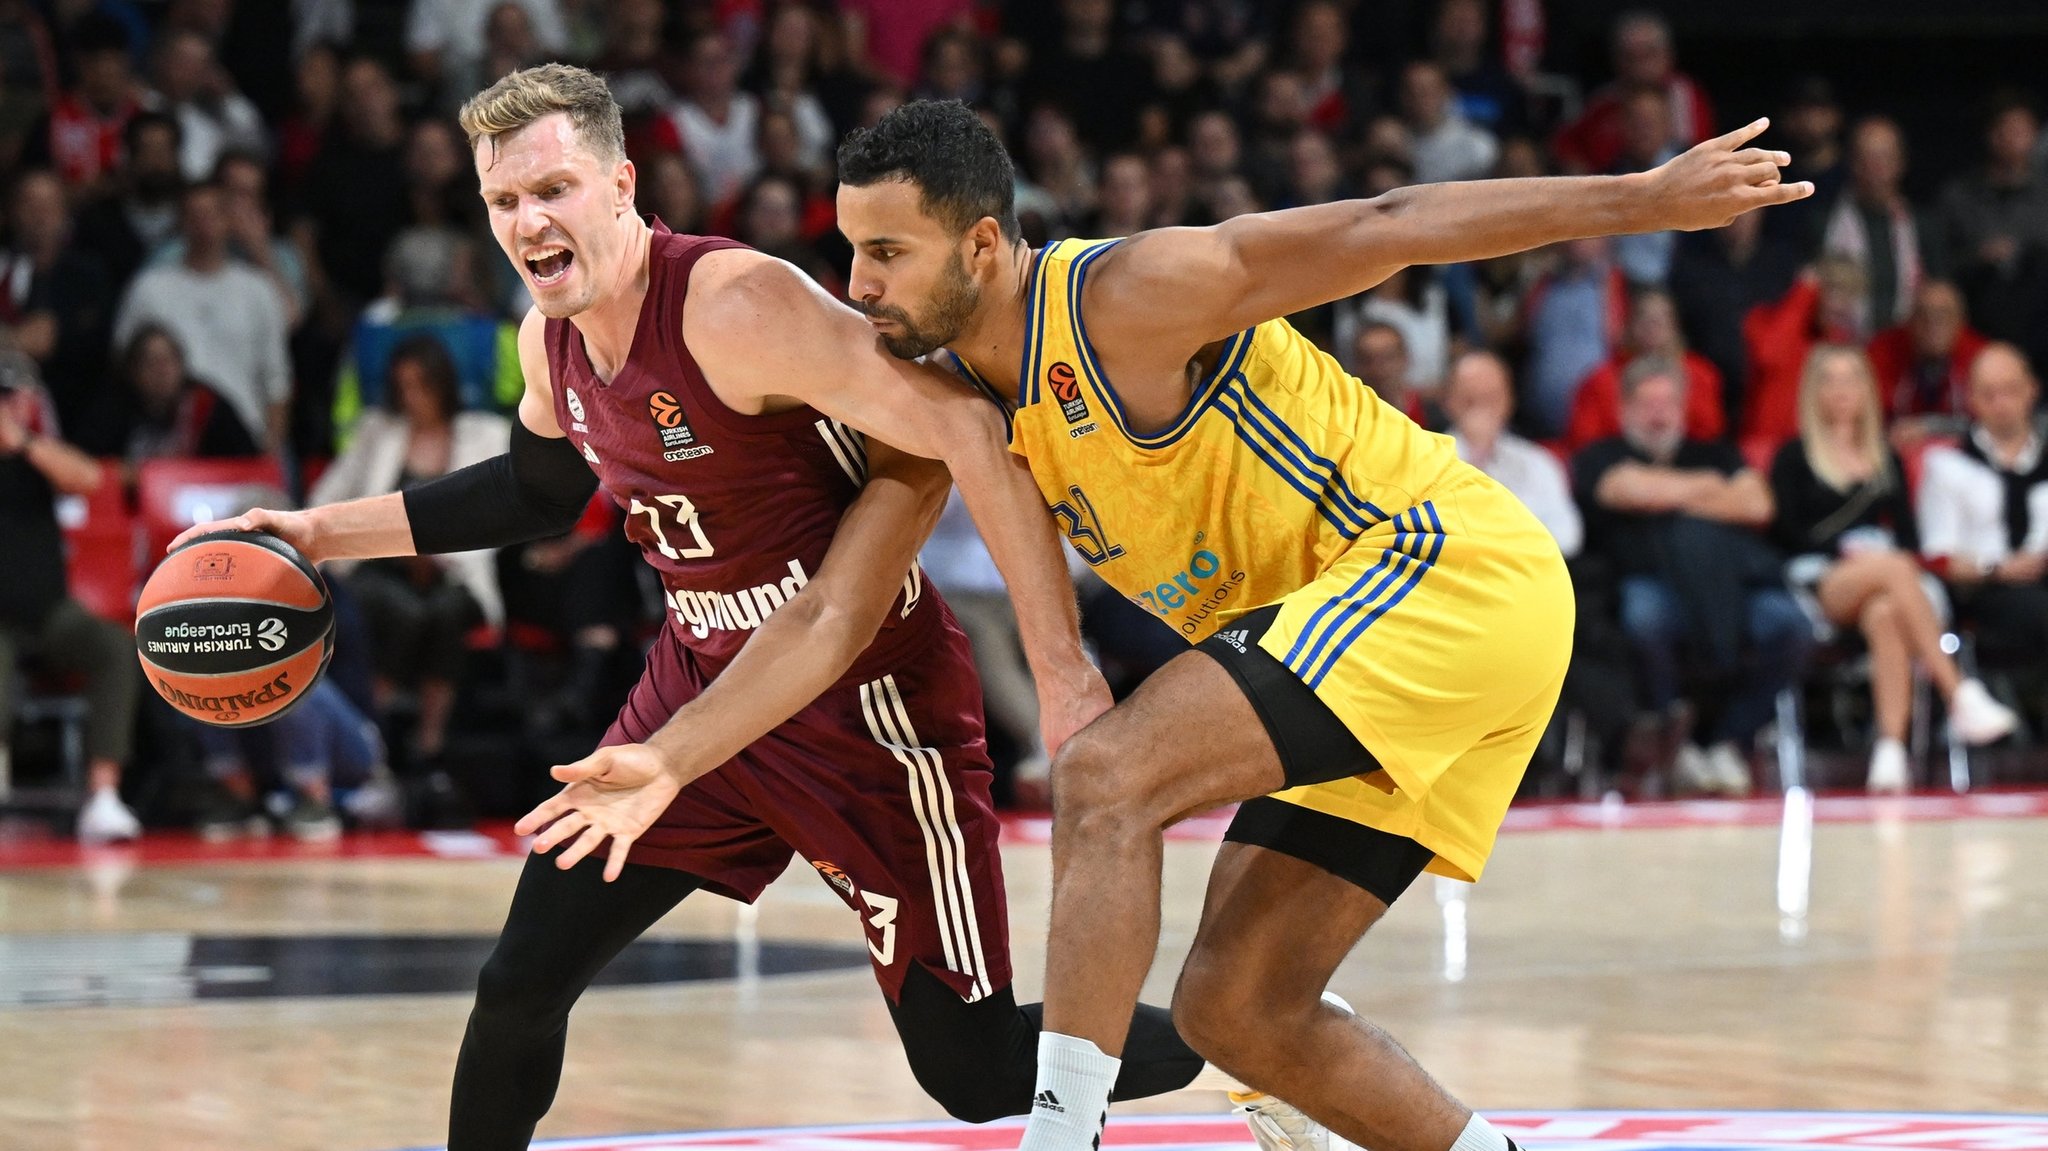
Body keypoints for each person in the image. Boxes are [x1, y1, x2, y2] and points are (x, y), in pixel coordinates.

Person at [172, 65, 1200, 1151]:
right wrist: (317, 532)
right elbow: (537, 487)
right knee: (520, 978)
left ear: (620, 185)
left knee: (972, 1064)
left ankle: (1249, 1032)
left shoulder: (733, 305)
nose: (527, 222)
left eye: (552, 189)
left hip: (870, 720)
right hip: (699, 690)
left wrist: (1057, 666)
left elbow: (966, 430)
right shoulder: (548, 340)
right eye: (504, 202)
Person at [828, 98, 1806, 1151]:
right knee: (1238, 1012)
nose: (859, 284)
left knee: (1107, 777)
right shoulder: (955, 394)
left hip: (1442, 568)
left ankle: (1061, 1136)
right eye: (849, 250)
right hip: (1353, 635)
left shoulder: (1126, 298)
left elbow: (1385, 222)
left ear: (982, 243)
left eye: (887, 251)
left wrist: (1640, 198)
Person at [1768, 345, 2017, 792]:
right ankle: (1957, 691)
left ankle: (1890, 751)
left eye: (1851, 379)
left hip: (1890, 581)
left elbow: (1909, 540)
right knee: (1893, 570)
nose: (1842, 391)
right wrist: (1854, 550)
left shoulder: (1888, 458)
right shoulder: (1792, 458)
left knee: (1885, 610)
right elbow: (1787, 536)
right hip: (1821, 578)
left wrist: (1880, 555)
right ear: (1814, 391)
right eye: (1831, 380)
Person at [309, 334, 510, 768]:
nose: (412, 396)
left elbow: (500, 513)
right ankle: (369, 736)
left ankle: (428, 745)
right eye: (403, 386)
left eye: (421, 384)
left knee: (447, 613)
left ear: (444, 384)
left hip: (453, 568)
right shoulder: (376, 431)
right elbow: (327, 496)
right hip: (377, 566)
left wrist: (433, 552)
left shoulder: (487, 435)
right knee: (400, 611)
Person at [0, 352, 142, 841]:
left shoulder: (37, 455)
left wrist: (23, 441)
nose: (4, 408)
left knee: (114, 647)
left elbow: (88, 479)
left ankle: (104, 796)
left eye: (11, 398)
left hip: (49, 613)